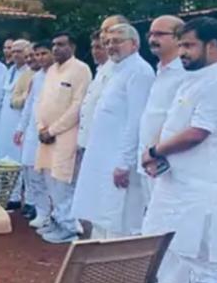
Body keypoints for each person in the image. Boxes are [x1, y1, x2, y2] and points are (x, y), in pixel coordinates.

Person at [141, 17, 217, 283]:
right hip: (176, 184)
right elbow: (174, 123)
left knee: (203, 261)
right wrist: (159, 155)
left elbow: (198, 132)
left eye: (188, 45)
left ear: (212, 45)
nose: (182, 51)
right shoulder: (193, 78)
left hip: (208, 191)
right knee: (169, 250)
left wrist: (156, 151)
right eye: (181, 44)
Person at [71, 23, 154, 239]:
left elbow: (136, 121)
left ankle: (118, 269)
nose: (110, 46)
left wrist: (124, 163)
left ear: (134, 44)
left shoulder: (140, 71)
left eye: (117, 41)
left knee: (120, 219)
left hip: (119, 160)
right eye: (107, 42)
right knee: (100, 213)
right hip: (102, 156)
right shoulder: (114, 70)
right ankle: (100, 262)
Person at [34, 32, 92, 244]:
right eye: (54, 44)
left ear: (73, 47)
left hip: (66, 134)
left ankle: (68, 227)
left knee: (62, 181)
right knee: (49, 178)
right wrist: (41, 127)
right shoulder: (50, 70)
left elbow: (78, 106)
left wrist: (53, 130)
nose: (56, 48)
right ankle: (57, 220)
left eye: (61, 44)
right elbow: (42, 102)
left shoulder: (81, 70)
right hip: (46, 134)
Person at [137, 15, 186, 199]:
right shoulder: (160, 70)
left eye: (159, 34)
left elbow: (177, 119)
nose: (152, 39)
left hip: (167, 161)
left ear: (178, 38)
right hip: (148, 158)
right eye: (150, 34)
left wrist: (156, 152)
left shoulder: (184, 72)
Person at [77, 16, 125, 158]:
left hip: (108, 146)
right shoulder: (100, 71)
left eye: (99, 47)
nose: (94, 51)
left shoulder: (121, 69)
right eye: (93, 47)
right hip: (89, 142)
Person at [14, 40, 51, 223]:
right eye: (36, 55)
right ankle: (41, 211)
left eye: (42, 54)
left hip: (48, 132)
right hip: (31, 131)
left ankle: (48, 214)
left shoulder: (56, 75)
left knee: (45, 175)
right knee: (29, 169)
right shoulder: (36, 78)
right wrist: (21, 128)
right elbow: (29, 105)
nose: (37, 59)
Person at [0, 39, 32, 209]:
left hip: (19, 121)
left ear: (28, 53)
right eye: (13, 50)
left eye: (19, 51)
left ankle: (16, 197)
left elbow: (29, 97)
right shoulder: (10, 70)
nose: (15, 54)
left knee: (18, 159)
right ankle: (7, 194)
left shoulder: (30, 72)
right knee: (4, 157)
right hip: (5, 121)